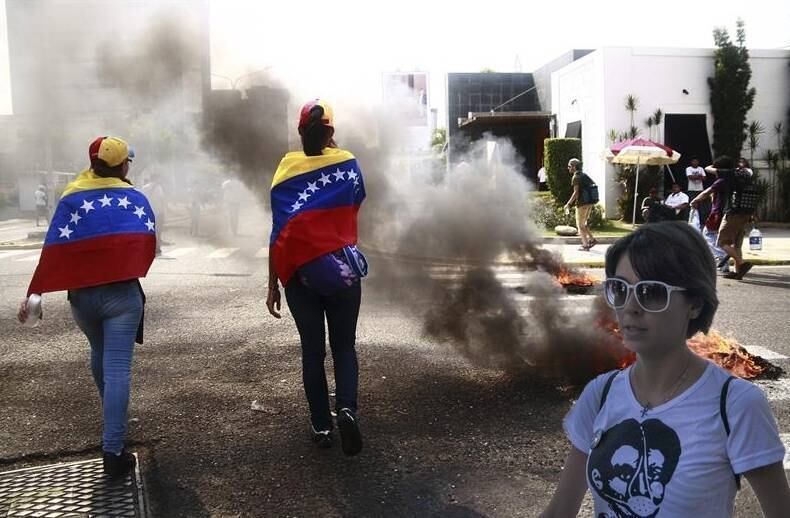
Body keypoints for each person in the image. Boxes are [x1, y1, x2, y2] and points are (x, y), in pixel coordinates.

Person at [540, 221, 790, 518]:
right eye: (620, 289)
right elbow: (559, 512)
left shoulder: (736, 406)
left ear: (694, 304)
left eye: (651, 292)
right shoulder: (600, 394)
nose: (630, 306)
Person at [17, 136, 156, 478]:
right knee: (118, 370)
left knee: (100, 357)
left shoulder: (72, 195)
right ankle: (113, 449)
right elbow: (149, 242)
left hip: (82, 299)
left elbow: (55, 246)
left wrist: (37, 291)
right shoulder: (133, 197)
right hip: (122, 298)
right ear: (123, 164)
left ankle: (115, 418)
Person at [266, 99, 367, 456]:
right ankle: (347, 410)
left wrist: (272, 283)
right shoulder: (347, 163)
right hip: (341, 271)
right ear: (331, 132)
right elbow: (355, 202)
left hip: (299, 276)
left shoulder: (286, 170)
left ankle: (321, 426)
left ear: (298, 131)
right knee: (344, 347)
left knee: (313, 351)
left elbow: (279, 231)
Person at [716, 157, 757, 279]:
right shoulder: (748, 177)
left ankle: (742, 264)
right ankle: (738, 272)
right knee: (737, 245)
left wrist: (720, 166)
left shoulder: (730, 175)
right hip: (745, 214)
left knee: (723, 242)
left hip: (733, 214)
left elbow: (709, 169)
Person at [691, 158, 731, 274]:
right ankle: (726, 262)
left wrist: (694, 200)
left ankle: (721, 258)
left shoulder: (721, 180)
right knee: (721, 238)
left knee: (708, 234)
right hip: (729, 212)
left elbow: (706, 191)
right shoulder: (735, 178)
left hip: (718, 212)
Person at [563, 158, 597, 251]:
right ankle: (592, 239)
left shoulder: (576, 177)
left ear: (574, 167)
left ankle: (585, 245)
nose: (568, 168)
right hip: (590, 202)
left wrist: (568, 204)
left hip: (582, 203)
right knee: (584, 224)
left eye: (569, 166)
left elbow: (576, 193)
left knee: (580, 225)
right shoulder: (584, 175)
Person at [686, 157, 706, 227]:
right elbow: (690, 177)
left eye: (696, 161)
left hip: (700, 189)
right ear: (691, 162)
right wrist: (699, 176)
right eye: (693, 161)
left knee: (701, 206)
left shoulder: (701, 168)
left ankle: (701, 222)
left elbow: (704, 178)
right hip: (691, 189)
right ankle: (691, 221)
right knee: (692, 205)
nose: (695, 162)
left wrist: (695, 176)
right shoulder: (688, 168)